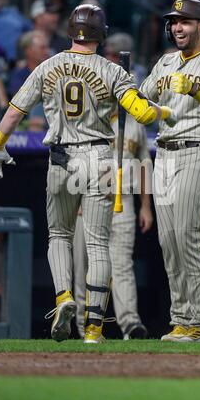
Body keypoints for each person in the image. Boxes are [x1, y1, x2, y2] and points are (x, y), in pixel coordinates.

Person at [0, 4, 172, 344]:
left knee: (59, 234)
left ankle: (63, 297)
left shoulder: (49, 65)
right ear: (101, 35)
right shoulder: (112, 70)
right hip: (100, 157)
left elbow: (15, 110)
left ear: (71, 32)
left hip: (61, 158)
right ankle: (93, 330)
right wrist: (162, 108)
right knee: (99, 243)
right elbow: (144, 115)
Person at [140, 0, 200, 342]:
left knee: (188, 236)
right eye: (174, 22)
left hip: (196, 150)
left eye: (185, 22)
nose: (178, 27)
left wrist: (196, 89)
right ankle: (183, 319)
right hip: (163, 153)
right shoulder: (165, 63)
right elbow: (142, 98)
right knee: (169, 241)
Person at [73, 110, 153, 340]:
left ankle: (130, 324)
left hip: (123, 199)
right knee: (84, 268)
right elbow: (73, 158)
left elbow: (144, 164)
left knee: (122, 265)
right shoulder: (86, 114)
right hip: (88, 198)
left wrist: (145, 205)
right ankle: (84, 327)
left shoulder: (135, 122)